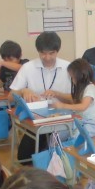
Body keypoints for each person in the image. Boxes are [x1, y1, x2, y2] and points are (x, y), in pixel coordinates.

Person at [10, 31, 72, 163]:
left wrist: (58, 94)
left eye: (51, 53)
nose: (47, 57)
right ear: (38, 51)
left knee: (51, 155)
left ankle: (52, 154)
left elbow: (77, 99)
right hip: (37, 120)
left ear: (57, 51)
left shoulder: (68, 68)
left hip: (61, 119)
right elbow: (10, 97)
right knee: (24, 158)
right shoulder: (28, 67)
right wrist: (23, 91)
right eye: (43, 53)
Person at [52, 59, 95, 138]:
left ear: (80, 76)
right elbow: (73, 97)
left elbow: (83, 106)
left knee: (75, 136)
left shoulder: (91, 88)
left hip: (93, 124)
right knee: (58, 134)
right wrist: (57, 94)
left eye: (72, 77)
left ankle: (70, 146)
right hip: (81, 121)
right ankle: (57, 146)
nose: (72, 80)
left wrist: (63, 105)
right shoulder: (82, 88)